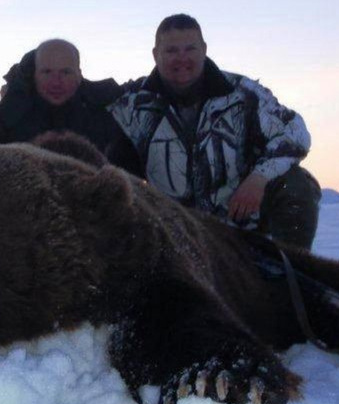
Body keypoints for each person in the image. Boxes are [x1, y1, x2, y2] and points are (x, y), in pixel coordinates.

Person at [108, 14, 321, 249]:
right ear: (155, 54)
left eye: (190, 48)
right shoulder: (131, 107)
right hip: (177, 232)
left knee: (295, 182)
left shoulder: (243, 94)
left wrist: (259, 178)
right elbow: (118, 168)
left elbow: (295, 133)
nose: (182, 58)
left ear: (204, 49)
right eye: (171, 51)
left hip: (242, 224)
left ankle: (292, 268)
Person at [0, 39, 123, 157]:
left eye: (65, 72)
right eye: (47, 72)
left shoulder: (109, 112)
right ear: (34, 74)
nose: (56, 82)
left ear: (79, 74)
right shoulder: (4, 115)